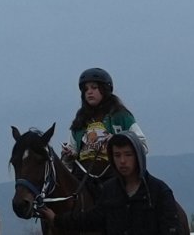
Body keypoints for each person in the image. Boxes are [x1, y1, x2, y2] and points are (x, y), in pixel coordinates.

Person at [42, 131, 182, 235]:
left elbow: (172, 229)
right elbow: (89, 219)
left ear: (138, 155)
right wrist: (57, 219)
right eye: (117, 155)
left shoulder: (159, 191)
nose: (122, 161)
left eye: (128, 154)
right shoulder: (109, 191)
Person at [64, 68, 148, 176]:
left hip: (114, 174)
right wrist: (69, 155)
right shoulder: (80, 119)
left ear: (105, 89)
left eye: (94, 87)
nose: (89, 91)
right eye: (85, 89)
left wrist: (118, 141)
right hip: (83, 176)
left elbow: (142, 145)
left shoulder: (121, 116)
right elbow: (70, 157)